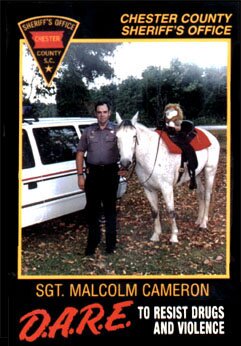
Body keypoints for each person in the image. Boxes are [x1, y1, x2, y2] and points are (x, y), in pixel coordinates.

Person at [76, 101, 120, 256]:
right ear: (95, 113)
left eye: (105, 112)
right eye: (99, 112)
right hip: (93, 174)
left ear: (109, 113)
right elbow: (80, 153)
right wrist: (80, 175)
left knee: (110, 211)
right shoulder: (88, 131)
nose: (102, 115)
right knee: (92, 211)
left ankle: (110, 245)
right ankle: (92, 243)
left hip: (110, 173)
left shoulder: (117, 130)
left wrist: (125, 168)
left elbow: (128, 148)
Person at [159, 103, 198, 190]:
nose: (170, 112)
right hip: (169, 135)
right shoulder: (166, 120)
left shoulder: (177, 120)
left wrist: (173, 126)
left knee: (186, 147)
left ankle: (191, 171)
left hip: (179, 135)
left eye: (172, 110)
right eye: (168, 111)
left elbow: (179, 128)